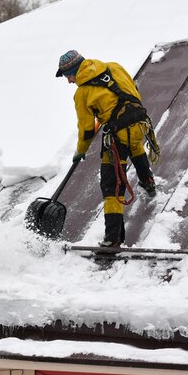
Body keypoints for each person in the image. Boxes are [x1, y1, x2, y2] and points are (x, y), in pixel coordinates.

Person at [55, 50, 159, 248]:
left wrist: (80, 151)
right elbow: (133, 89)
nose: (69, 81)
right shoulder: (114, 67)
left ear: (75, 71)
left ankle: (113, 239)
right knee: (134, 144)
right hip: (141, 124)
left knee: (111, 186)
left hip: (118, 136)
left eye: (68, 76)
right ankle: (148, 182)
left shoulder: (82, 93)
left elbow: (86, 130)